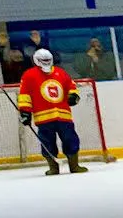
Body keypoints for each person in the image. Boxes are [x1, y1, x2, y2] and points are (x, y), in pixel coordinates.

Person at [17, 47, 88, 176]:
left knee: (70, 139)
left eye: (48, 60)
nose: (46, 62)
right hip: (43, 118)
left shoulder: (61, 72)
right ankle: (53, 168)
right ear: (36, 60)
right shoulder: (29, 75)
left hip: (64, 116)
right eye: (43, 60)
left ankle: (74, 165)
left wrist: (73, 96)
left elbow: (71, 86)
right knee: (47, 143)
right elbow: (24, 96)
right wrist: (25, 112)